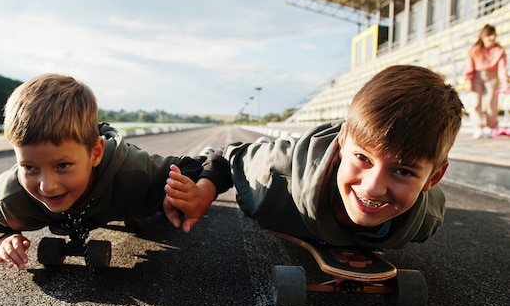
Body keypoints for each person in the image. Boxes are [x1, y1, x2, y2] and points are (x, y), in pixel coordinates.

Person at [170, 65, 464, 249]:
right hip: (283, 167)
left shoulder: (428, 219)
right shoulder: (276, 173)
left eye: (403, 172)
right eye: (364, 158)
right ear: (342, 143)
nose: (373, 187)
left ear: (434, 178)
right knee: (235, 158)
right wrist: (203, 193)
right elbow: (228, 155)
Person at [0, 74, 230, 270]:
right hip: (103, 200)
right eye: (30, 167)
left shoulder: (133, 171)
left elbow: (219, 163)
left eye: (62, 165)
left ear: (96, 152)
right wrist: (4, 236)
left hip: (127, 191)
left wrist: (201, 193)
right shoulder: (11, 194)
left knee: (165, 205)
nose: (47, 186)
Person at [464, 24, 509, 138]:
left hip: (492, 76)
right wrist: (469, 80)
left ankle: (490, 127)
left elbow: (502, 68)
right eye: (489, 35)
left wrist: (505, 83)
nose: (492, 38)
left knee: (491, 103)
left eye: (494, 35)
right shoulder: (475, 50)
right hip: (477, 75)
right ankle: (478, 127)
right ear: (483, 37)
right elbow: (469, 67)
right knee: (475, 103)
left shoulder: (499, 50)